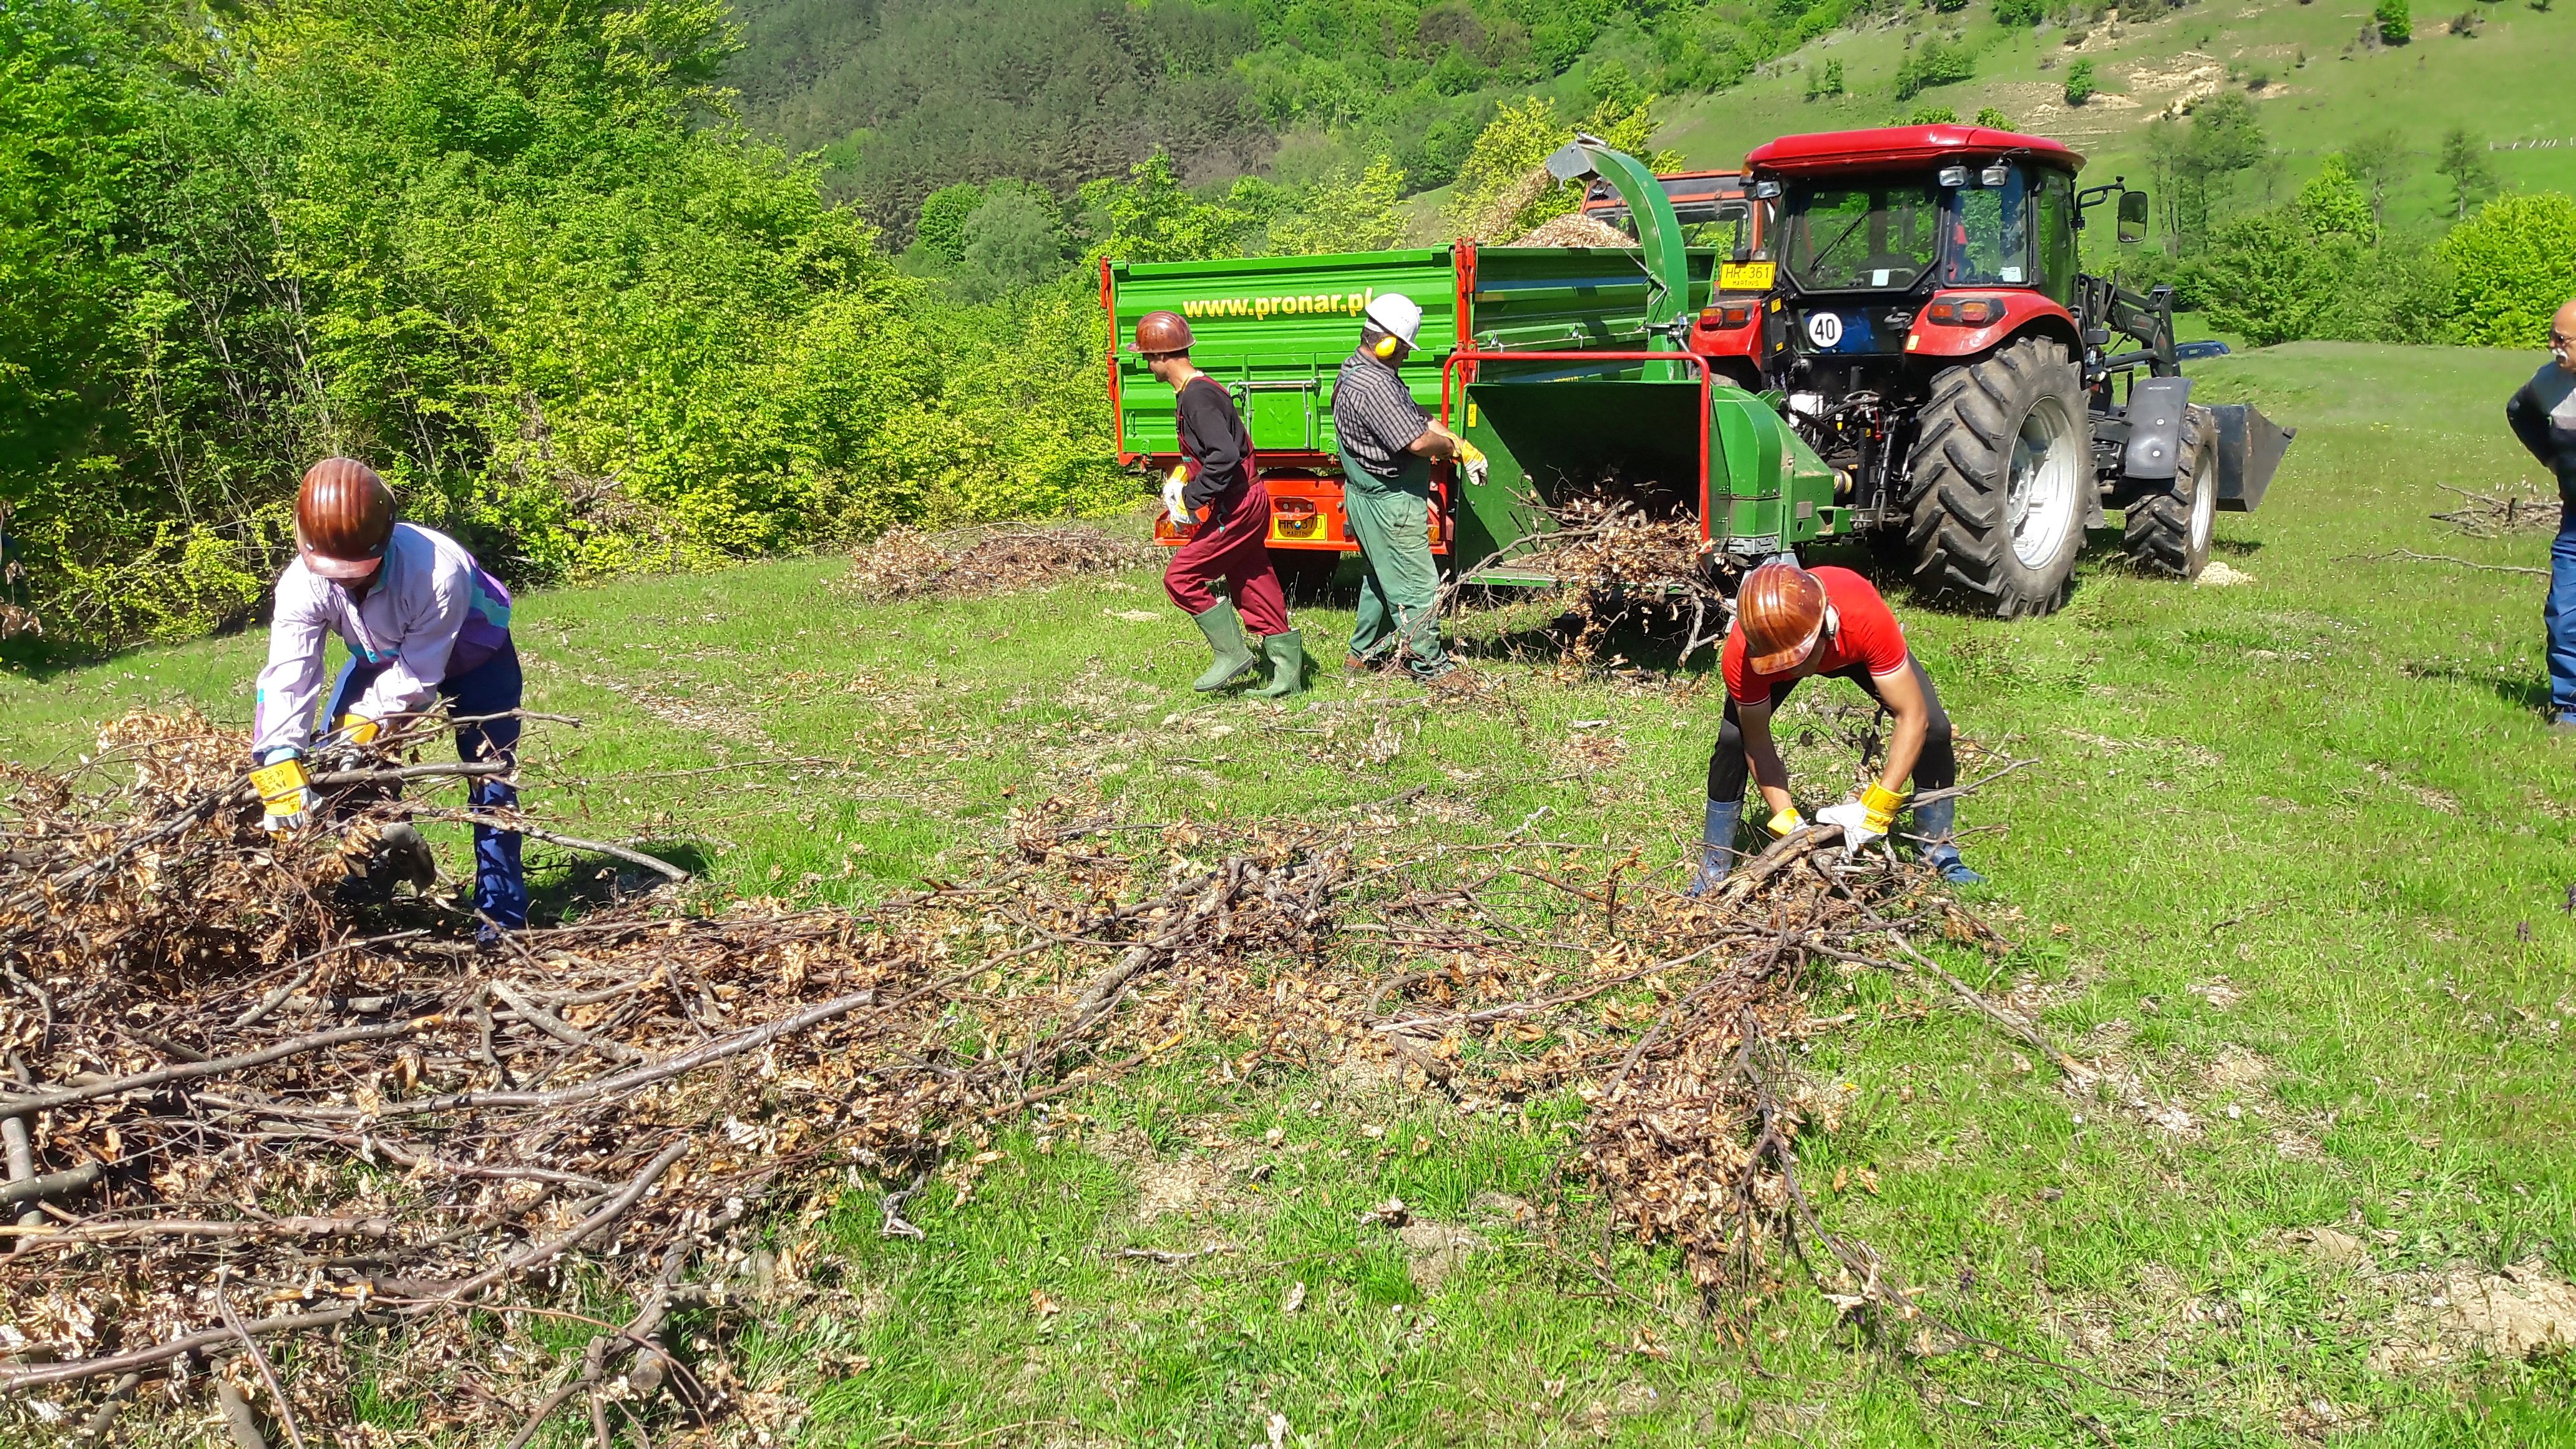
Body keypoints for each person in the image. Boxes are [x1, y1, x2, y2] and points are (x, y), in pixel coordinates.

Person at [248, 457, 528, 939]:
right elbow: (289, 675)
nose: (345, 581)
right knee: (340, 770)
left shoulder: (438, 571)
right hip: (378, 658)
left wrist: (366, 728)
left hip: (476, 655)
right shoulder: (301, 583)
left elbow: (418, 676)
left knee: (490, 776)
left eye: (358, 570)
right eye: (335, 573)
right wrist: (279, 758)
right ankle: (381, 866)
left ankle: (500, 922)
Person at [1689, 560, 1982, 890]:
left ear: (1826, 626)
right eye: (1782, 664)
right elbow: (1756, 742)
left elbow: (1911, 715)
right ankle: (1713, 866)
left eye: (1799, 660)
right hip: (1794, 650)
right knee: (1732, 740)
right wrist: (1787, 820)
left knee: (1936, 730)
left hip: (1851, 647)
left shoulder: (1864, 615)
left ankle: (1939, 851)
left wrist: (1878, 806)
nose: (1795, 671)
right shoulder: (1746, 655)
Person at [1137, 311, 1304, 698]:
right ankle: (1289, 674)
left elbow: (1225, 456)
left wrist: (1193, 499)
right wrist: (1182, 478)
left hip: (1240, 504)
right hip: (1246, 499)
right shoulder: (1197, 393)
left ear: (1163, 357)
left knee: (1180, 578)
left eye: (1148, 356)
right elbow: (1210, 453)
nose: (1147, 364)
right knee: (1253, 580)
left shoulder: (1197, 397)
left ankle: (1232, 654)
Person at [1327, 292, 1482, 682]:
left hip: (1367, 497)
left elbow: (1416, 419)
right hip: (1389, 500)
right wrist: (1450, 448)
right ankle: (1431, 667)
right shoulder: (1374, 386)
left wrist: (1462, 447)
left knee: (1382, 577)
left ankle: (1363, 654)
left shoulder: (1359, 371)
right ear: (1387, 342)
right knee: (1417, 584)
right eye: (1403, 349)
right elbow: (1415, 442)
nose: (1406, 357)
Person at [2505, 296, 2576, 729]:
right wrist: (2551, 458)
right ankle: (2571, 706)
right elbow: (2519, 412)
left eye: (2562, 339)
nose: (2552, 345)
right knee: (2565, 611)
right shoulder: (2549, 383)